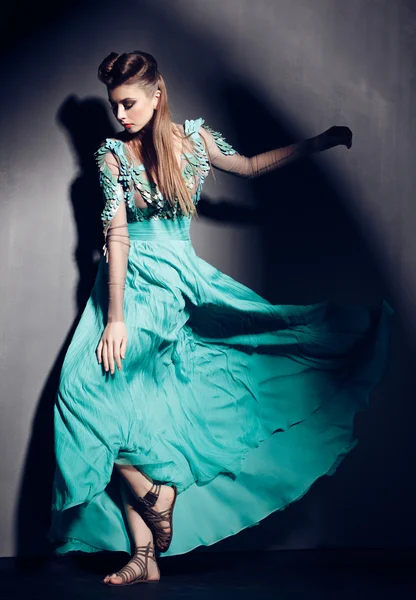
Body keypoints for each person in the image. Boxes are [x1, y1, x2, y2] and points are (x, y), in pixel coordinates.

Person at [47, 50, 393, 586]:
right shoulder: (111, 156)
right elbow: (114, 235)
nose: (122, 116)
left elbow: (250, 166)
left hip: (166, 284)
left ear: (157, 93)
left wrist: (316, 143)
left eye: (130, 104)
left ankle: (155, 498)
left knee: (92, 402)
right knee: (113, 406)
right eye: (115, 107)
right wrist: (113, 317)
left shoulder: (195, 141)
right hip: (121, 288)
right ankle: (145, 554)